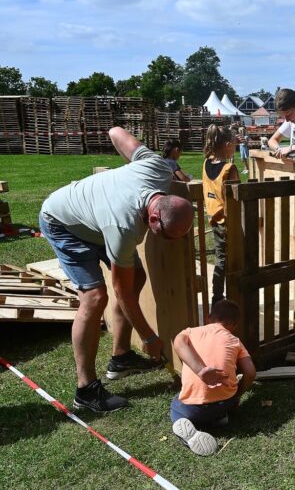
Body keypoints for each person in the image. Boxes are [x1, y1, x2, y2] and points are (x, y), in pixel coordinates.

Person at [38, 127, 194, 412]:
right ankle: (86, 389)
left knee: (139, 276)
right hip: (63, 222)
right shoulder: (124, 228)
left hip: (97, 221)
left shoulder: (158, 167)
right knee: (96, 297)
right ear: (154, 218)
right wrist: (149, 337)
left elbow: (114, 132)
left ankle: (120, 358)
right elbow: (121, 291)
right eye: (163, 236)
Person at [171, 299, 256, 456]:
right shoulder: (235, 341)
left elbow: (178, 342)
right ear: (234, 326)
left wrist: (200, 370)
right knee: (223, 399)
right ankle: (217, 418)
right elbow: (250, 372)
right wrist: (237, 396)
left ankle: (185, 424)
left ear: (208, 317)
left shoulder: (190, 332)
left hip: (193, 408)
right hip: (225, 402)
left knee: (176, 406)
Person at [202, 124, 239, 305]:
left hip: (213, 218)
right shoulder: (229, 169)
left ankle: (218, 295)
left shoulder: (206, 162)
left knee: (220, 257)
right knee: (228, 259)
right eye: (234, 143)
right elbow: (237, 198)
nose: (235, 147)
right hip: (228, 221)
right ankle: (219, 296)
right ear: (226, 144)